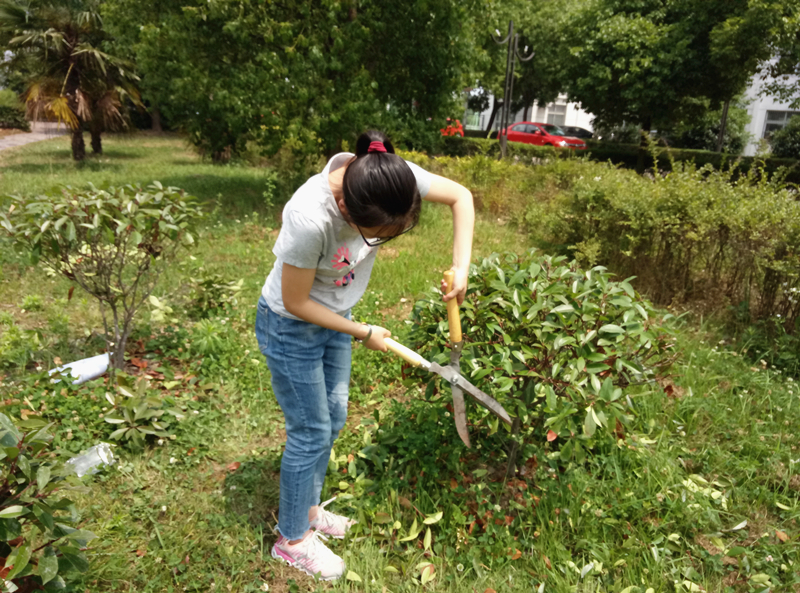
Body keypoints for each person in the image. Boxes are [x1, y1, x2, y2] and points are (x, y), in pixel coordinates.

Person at [255, 130, 474, 581]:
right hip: (292, 326)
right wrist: (364, 332)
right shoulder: (308, 216)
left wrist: (462, 269)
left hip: (338, 316)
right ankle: (291, 540)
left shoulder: (387, 176)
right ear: (347, 212)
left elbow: (461, 197)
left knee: (333, 419)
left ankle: (308, 510)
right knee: (311, 430)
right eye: (377, 237)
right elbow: (296, 302)